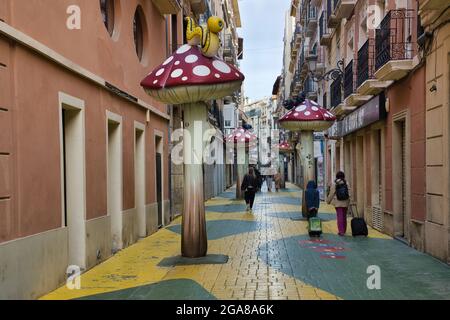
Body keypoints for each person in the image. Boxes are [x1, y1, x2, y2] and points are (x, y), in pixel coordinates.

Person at [326, 171, 351, 236]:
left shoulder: (335, 184)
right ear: (343, 176)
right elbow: (349, 192)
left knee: (339, 216)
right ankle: (344, 230)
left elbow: (331, 193)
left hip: (338, 202)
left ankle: (341, 231)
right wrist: (349, 200)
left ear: (337, 176)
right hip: (345, 202)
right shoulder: (346, 183)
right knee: (344, 216)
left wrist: (328, 201)